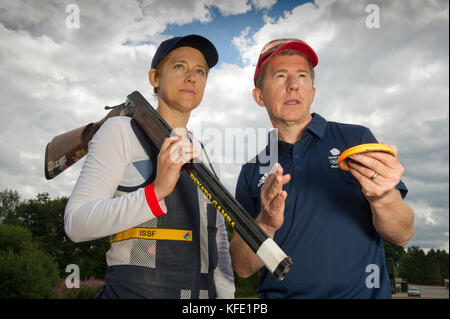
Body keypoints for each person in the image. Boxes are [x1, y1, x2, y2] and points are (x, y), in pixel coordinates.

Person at [229, 38, 414, 298]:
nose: (293, 85)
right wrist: (266, 224)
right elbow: (241, 266)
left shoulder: (356, 140)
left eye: (302, 76)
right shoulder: (252, 169)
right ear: (260, 96)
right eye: (281, 76)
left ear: (312, 92)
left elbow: (402, 235)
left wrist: (382, 197)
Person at [64, 35, 235, 299]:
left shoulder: (206, 155)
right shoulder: (120, 131)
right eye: (180, 66)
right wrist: (156, 192)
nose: (192, 77)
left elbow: (218, 246)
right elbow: (76, 224)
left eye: (200, 71)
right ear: (154, 77)